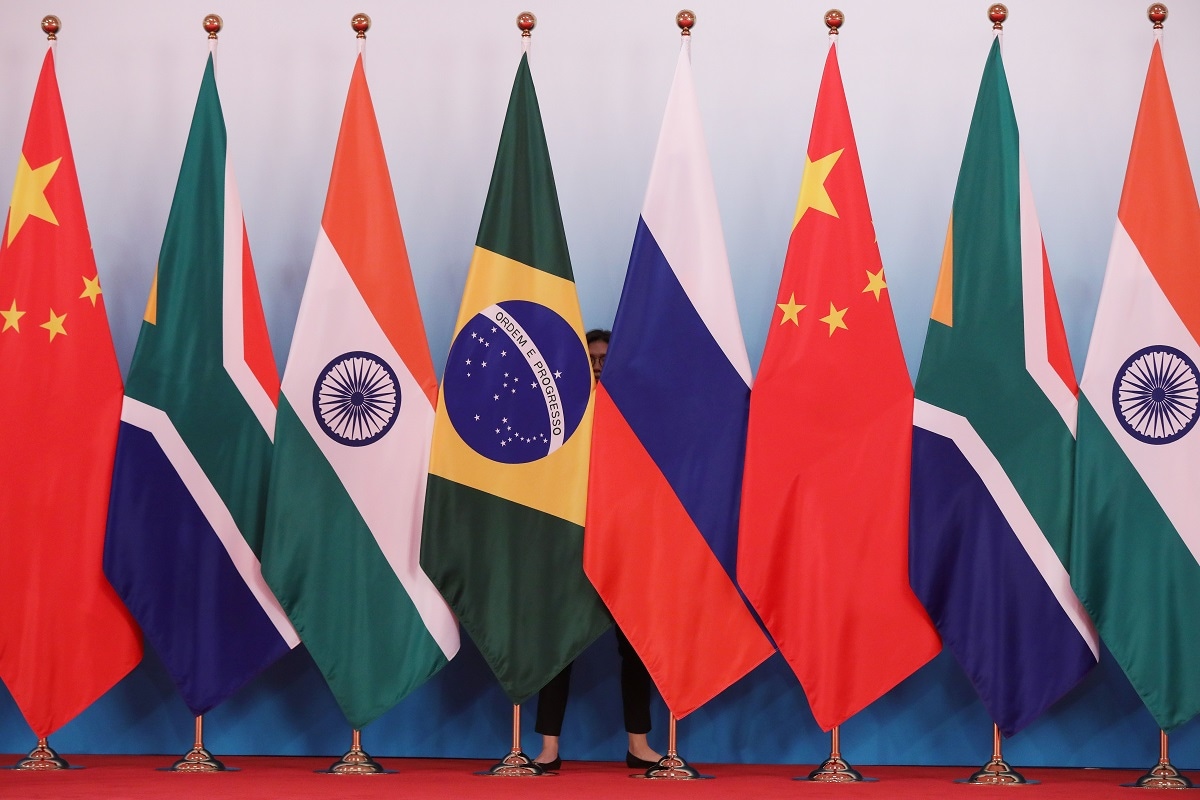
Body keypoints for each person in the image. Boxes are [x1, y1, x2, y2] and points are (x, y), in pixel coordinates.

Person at [531, 329, 663, 772]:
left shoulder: (637, 416)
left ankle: (638, 744)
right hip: (572, 546)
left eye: (605, 357)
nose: (599, 364)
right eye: (591, 358)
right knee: (559, 647)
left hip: (626, 547)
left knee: (636, 648)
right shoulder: (560, 415)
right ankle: (548, 748)